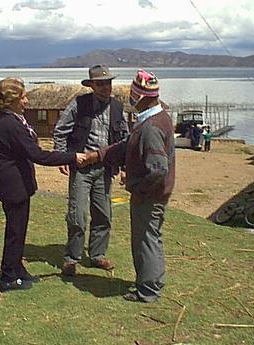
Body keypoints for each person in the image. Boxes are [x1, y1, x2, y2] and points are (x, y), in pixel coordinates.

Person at [0, 77, 86, 292]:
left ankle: (17, 268)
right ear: (12, 100)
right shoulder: (10, 124)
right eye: (23, 97)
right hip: (14, 186)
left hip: (11, 184)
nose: (27, 101)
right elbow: (37, 155)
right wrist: (71, 157)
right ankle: (8, 277)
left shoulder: (1, 119)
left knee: (19, 230)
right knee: (15, 231)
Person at [83, 69, 175, 303]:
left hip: (149, 196)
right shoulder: (154, 118)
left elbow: (158, 168)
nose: (130, 98)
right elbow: (126, 146)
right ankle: (152, 282)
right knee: (150, 238)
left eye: (134, 94)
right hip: (152, 193)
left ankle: (148, 290)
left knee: (145, 240)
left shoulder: (151, 127)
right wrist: (98, 155)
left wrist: (136, 185)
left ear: (142, 96)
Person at [53, 64, 129, 276]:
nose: (106, 87)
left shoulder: (117, 107)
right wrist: (62, 156)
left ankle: (97, 255)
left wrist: (124, 166)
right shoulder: (79, 104)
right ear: (92, 86)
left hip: (105, 169)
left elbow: (123, 140)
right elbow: (60, 131)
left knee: (103, 214)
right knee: (77, 214)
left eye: (109, 83)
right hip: (82, 168)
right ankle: (71, 258)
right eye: (101, 84)